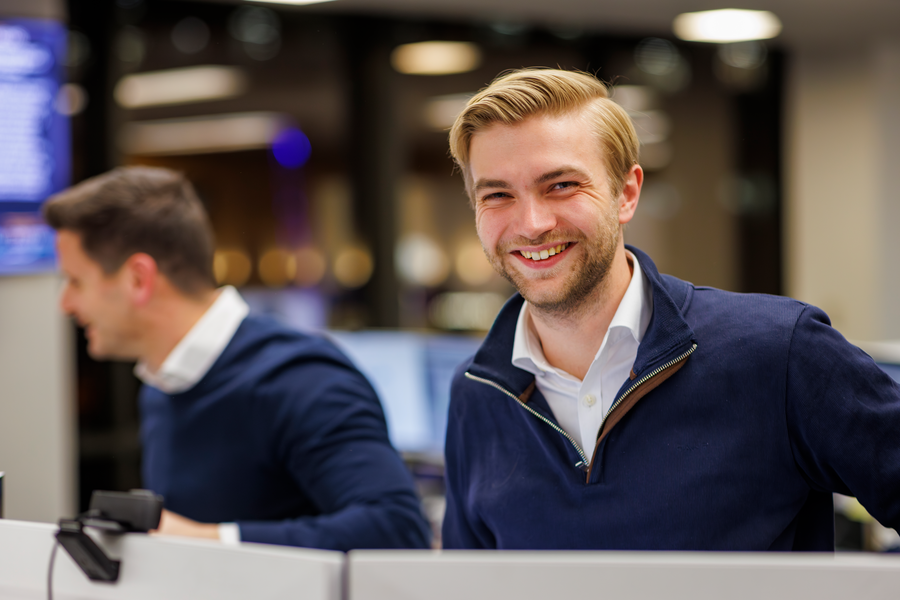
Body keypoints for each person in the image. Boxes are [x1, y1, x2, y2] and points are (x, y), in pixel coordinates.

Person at [441, 68, 900, 551]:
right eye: (497, 195)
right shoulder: (477, 391)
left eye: (561, 186)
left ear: (627, 193)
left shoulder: (781, 353)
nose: (532, 224)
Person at [44, 166, 431, 550]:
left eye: (76, 281)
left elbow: (397, 529)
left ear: (138, 279)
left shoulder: (302, 379)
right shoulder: (163, 386)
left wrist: (208, 541)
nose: (65, 304)